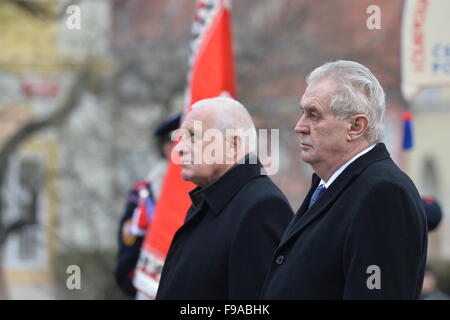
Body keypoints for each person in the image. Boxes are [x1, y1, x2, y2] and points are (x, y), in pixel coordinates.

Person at [260, 60, 428, 299]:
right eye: (302, 112)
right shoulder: (330, 184)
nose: (299, 126)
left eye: (314, 115)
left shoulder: (383, 193)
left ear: (356, 126)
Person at [155, 97, 293, 299]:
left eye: (193, 136)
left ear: (233, 143)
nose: (180, 148)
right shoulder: (208, 203)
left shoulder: (261, 208)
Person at [115, 114, 181, 298]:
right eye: (177, 142)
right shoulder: (146, 193)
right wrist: (138, 285)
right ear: (167, 147)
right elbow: (130, 245)